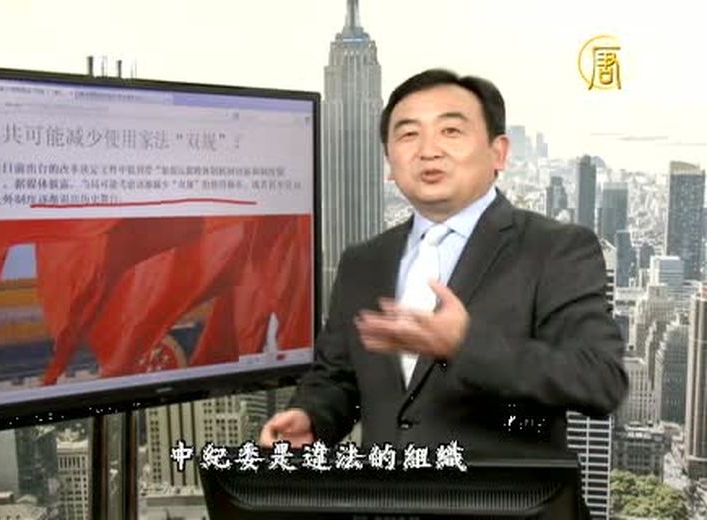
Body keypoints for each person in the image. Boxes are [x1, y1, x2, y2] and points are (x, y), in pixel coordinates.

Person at [259, 68, 628, 456]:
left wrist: (466, 344)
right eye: (408, 134)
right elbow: (338, 379)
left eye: (451, 131)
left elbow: (600, 380)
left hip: (501, 494)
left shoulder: (555, 249)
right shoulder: (363, 261)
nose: (428, 150)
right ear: (389, 163)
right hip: (383, 492)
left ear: (499, 152)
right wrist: (312, 417)